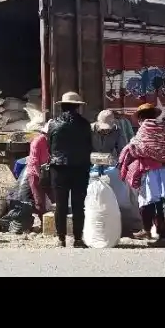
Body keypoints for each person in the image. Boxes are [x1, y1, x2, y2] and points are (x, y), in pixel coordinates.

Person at [119, 103, 165, 246]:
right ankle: (150, 231)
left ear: (141, 117)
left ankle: (162, 237)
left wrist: (131, 149)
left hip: (152, 172)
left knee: (150, 203)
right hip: (164, 172)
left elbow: (138, 148)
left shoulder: (145, 128)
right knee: (155, 204)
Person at [47, 92, 93, 248]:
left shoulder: (53, 124)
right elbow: (89, 147)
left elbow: (50, 146)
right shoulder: (85, 124)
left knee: (60, 204)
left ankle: (61, 239)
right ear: (78, 107)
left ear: (62, 106)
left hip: (58, 169)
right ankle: (78, 239)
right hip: (80, 168)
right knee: (78, 205)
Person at [91, 109, 134, 174]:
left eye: (108, 129)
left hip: (108, 166)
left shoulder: (116, 131)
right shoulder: (88, 130)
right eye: (103, 129)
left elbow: (121, 150)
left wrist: (122, 163)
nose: (106, 131)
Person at [26, 123, 50, 224]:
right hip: (35, 173)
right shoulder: (38, 142)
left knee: (54, 197)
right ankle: (44, 224)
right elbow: (34, 162)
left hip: (45, 171)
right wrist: (40, 177)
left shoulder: (50, 141)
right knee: (39, 200)